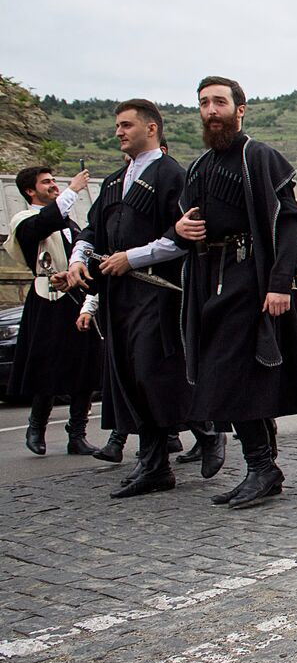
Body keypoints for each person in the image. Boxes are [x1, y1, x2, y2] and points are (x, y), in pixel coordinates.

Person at [173, 76, 297, 508]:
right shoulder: (200, 165)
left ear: (240, 109)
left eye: (219, 102)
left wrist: (280, 282)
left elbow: (291, 224)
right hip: (211, 278)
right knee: (229, 375)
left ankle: (263, 466)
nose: (211, 110)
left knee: (235, 374)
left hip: (249, 278)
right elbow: (184, 223)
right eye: (204, 103)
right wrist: (180, 229)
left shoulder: (258, 157)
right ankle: (262, 466)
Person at [68, 99, 226, 496]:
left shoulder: (172, 174)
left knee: (155, 372)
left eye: (126, 125)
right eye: (117, 126)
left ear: (151, 128)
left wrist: (131, 257)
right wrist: (77, 259)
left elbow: (184, 235)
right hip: (118, 293)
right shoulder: (111, 182)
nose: (118, 132)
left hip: (157, 291)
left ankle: (207, 432)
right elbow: (91, 231)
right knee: (129, 379)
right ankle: (154, 464)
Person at [5, 166, 104, 456]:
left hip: (77, 294)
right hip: (47, 296)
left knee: (85, 364)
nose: (53, 185)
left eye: (53, 181)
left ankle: (78, 433)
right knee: (46, 363)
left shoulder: (69, 224)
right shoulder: (24, 220)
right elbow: (44, 224)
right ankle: (36, 428)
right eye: (45, 182)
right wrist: (73, 189)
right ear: (30, 191)